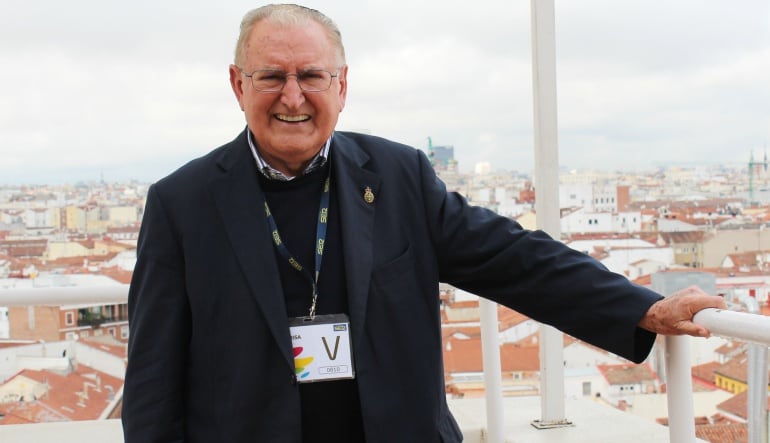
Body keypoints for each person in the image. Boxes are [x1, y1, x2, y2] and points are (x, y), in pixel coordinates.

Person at [121, 4, 726, 442]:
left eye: (311, 76)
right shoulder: (183, 201)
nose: (293, 96)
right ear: (237, 84)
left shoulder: (397, 175)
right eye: (271, 76)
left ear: (342, 84)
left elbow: (509, 258)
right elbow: (153, 372)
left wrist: (637, 307)